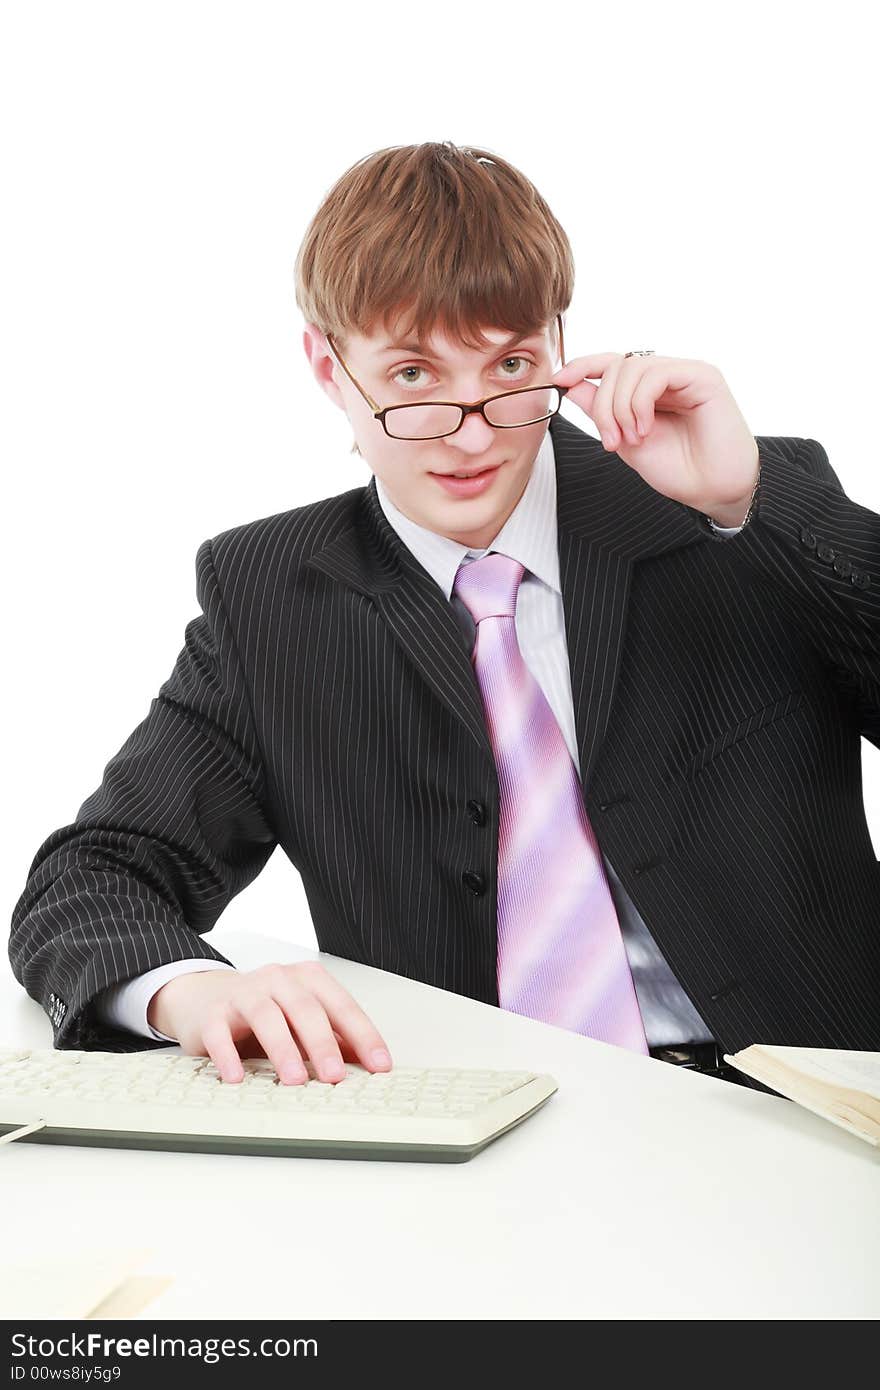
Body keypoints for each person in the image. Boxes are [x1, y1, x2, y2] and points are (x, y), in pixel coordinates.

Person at [10, 141, 879, 1093]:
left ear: (559, 341)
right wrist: (193, 992)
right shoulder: (272, 596)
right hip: (479, 1132)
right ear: (328, 365)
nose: (470, 431)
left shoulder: (730, 509)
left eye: (508, 366)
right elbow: (92, 878)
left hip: (806, 1119)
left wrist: (748, 503)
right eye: (416, 377)